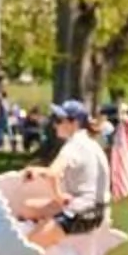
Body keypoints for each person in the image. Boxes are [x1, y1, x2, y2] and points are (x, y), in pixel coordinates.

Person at [24, 100, 108, 247]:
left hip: (80, 214)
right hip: (96, 210)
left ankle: (44, 249)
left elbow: (53, 174)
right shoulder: (90, 143)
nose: (54, 124)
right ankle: (48, 236)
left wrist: (59, 196)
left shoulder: (73, 146)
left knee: (27, 246)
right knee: (28, 207)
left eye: (58, 120)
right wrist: (39, 171)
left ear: (74, 123)